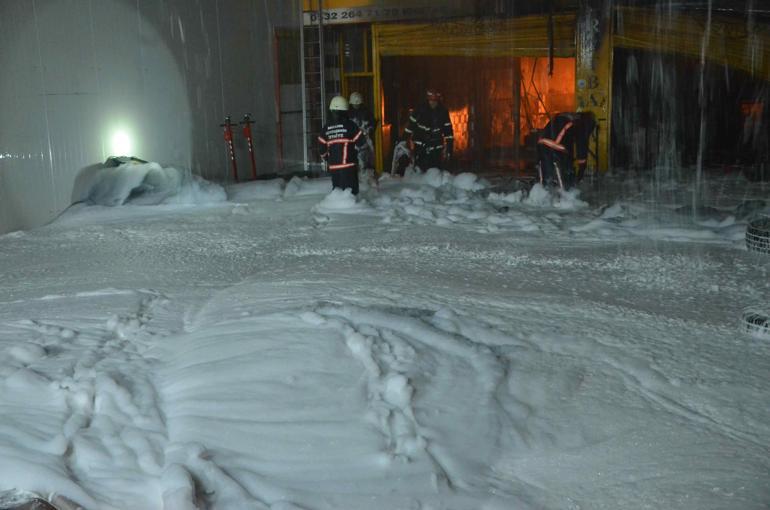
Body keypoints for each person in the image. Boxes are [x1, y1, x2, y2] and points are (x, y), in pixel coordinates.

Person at [318, 95, 368, 195]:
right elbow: (362, 143)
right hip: (349, 167)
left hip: (334, 168)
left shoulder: (326, 128)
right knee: (351, 195)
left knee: (337, 194)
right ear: (345, 111)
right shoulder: (350, 125)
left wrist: (328, 159)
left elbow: (322, 150)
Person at [536, 111, 596, 190]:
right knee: (565, 175)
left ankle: (543, 194)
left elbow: (567, 142)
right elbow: (581, 147)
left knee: (546, 179)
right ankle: (565, 193)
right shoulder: (580, 124)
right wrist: (581, 170)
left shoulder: (565, 118)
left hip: (541, 144)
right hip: (555, 147)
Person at [404, 89, 454, 171]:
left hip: (436, 147)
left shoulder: (443, 111)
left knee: (435, 171)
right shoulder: (420, 110)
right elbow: (411, 125)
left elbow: (448, 129)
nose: (433, 103)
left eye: (435, 100)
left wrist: (449, 145)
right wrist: (404, 138)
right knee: (420, 169)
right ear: (427, 99)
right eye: (431, 100)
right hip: (421, 146)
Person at [348, 91, 376, 171]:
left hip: (365, 138)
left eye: (358, 104)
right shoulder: (348, 113)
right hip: (352, 140)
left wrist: (370, 129)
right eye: (354, 104)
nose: (356, 105)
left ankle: (369, 171)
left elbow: (372, 123)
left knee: (369, 156)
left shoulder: (366, 112)